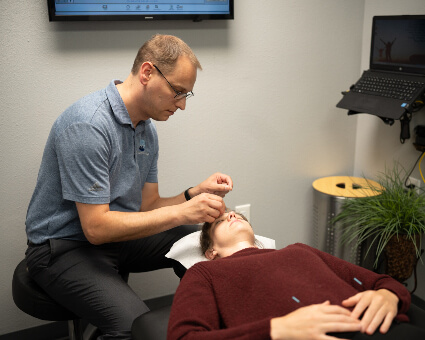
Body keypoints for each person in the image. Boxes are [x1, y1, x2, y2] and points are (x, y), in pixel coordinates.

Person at [24, 34, 232, 339]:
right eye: (178, 92)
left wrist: (192, 195)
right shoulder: (89, 125)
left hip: (115, 237)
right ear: (147, 73)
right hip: (63, 247)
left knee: (201, 241)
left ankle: (214, 323)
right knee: (137, 328)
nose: (183, 106)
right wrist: (184, 212)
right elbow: (96, 229)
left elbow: (148, 207)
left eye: (187, 95)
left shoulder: (146, 128)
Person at [167, 211, 425, 340]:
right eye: (221, 221)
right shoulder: (205, 272)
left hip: (377, 327)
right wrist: (277, 329)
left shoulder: (298, 251)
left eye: (238, 214)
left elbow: (380, 281)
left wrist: (389, 295)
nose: (232, 214)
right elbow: (185, 336)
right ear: (211, 250)